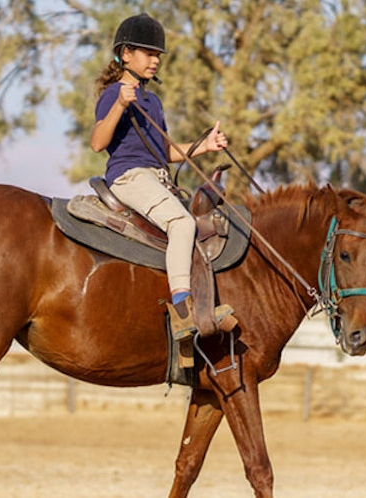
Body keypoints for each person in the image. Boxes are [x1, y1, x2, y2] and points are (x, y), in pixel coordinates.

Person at [88, 14, 230, 339]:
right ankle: (182, 309)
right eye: (149, 53)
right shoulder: (115, 93)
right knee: (182, 223)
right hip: (129, 177)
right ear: (125, 54)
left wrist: (204, 146)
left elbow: (164, 152)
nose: (155, 61)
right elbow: (97, 143)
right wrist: (120, 106)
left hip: (156, 175)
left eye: (158, 56)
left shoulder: (153, 101)